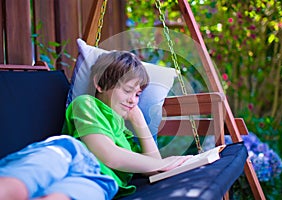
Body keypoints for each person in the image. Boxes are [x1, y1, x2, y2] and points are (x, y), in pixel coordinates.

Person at [0, 51, 190, 200]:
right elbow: (109, 155)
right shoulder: (88, 104)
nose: (133, 100)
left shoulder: (125, 136)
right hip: (71, 156)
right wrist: (163, 163)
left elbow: (153, 168)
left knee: (73, 195)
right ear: (100, 84)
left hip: (101, 181)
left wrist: (140, 123)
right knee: (28, 177)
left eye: (138, 94)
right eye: (127, 90)